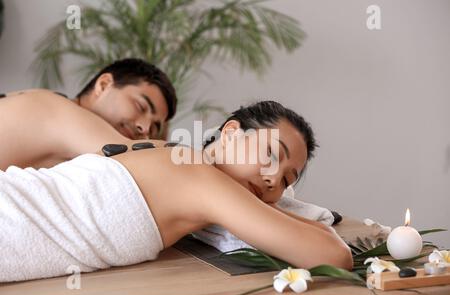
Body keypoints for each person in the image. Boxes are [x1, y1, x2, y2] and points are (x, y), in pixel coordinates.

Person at [0, 101, 353, 283]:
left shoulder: (168, 153)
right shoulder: (198, 177)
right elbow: (334, 256)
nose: (274, 180)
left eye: (288, 180)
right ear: (231, 133)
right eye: (271, 154)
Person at [0, 58, 177, 170]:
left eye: (154, 128)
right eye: (140, 106)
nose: (144, 128)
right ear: (104, 85)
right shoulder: (58, 110)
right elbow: (150, 168)